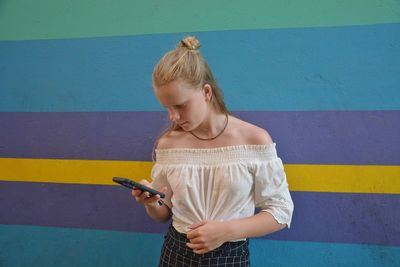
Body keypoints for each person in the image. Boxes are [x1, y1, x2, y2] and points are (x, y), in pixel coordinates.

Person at [132, 36, 294, 267]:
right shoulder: (168, 144)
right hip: (175, 254)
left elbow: (281, 212)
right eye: (167, 108)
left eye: (180, 105)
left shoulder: (254, 139)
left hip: (230, 257)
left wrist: (226, 231)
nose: (173, 117)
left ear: (206, 93)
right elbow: (164, 213)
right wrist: (150, 203)